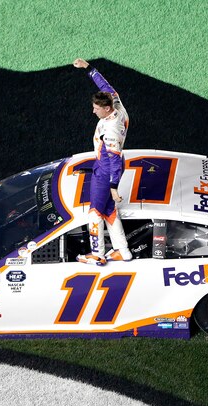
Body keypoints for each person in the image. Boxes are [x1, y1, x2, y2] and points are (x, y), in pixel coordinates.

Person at [73, 58, 132, 266]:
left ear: (106, 109)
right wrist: (88, 68)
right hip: (109, 164)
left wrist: (113, 185)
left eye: (96, 109)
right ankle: (122, 250)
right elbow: (105, 86)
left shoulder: (111, 130)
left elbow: (114, 160)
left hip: (106, 169)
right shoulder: (116, 102)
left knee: (95, 212)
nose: (93, 111)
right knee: (108, 210)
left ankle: (97, 254)